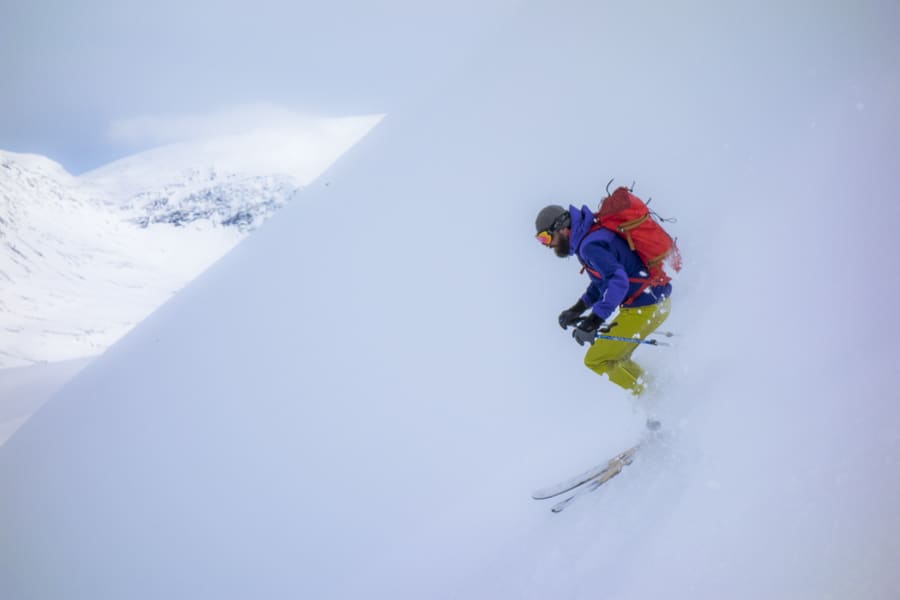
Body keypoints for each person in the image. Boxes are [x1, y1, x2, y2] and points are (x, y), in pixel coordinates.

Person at [534, 204, 672, 397]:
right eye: (541, 240)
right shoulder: (590, 238)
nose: (548, 245)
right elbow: (601, 283)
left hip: (645, 307)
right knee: (616, 358)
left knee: (596, 360)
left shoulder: (590, 246)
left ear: (562, 227)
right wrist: (577, 309)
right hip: (656, 301)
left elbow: (618, 282)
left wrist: (594, 320)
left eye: (546, 238)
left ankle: (654, 402)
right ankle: (660, 393)